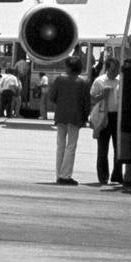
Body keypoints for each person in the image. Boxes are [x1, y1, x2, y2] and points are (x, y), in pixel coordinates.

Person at [47, 56, 91, 185]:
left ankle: (59, 174)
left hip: (61, 116)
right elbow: (86, 103)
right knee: (71, 146)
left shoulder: (60, 79)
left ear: (69, 68)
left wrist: (61, 104)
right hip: (76, 117)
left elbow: (52, 97)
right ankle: (65, 175)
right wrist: (85, 117)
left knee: (60, 145)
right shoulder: (83, 82)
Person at [89, 57, 123, 185]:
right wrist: (102, 95)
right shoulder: (99, 81)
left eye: (117, 70)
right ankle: (103, 176)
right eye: (113, 70)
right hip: (103, 116)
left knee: (118, 149)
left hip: (117, 116)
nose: (116, 73)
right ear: (107, 68)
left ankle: (117, 175)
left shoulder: (120, 80)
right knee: (102, 149)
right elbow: (92, 99)